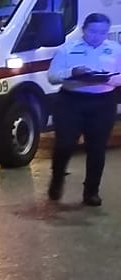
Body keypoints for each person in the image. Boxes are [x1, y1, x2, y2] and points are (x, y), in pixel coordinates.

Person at [47, 12, 121, 206]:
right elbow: (53, 77)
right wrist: (73, 72)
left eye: (103, 32)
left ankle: (91, 192)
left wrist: (107, 78)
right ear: (84, 29)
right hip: (71, 101)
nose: (97, 36)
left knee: (97, 148)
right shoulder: (67, 49)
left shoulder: (115, 50)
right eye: (93, 31)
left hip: (103, 102)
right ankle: (57, 178)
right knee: (64, 144)